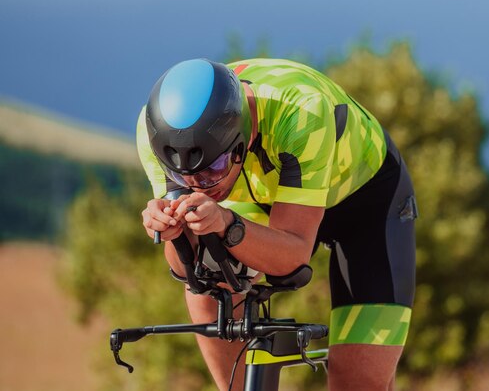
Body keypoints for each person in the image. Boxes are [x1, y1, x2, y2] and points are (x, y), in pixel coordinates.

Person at [137, 58, 418, 391]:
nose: (199, 185)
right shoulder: (153, 130)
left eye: (211, 170)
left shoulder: (302, 111)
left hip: (366, 204)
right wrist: (172, 232)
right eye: (181, 176)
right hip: (264, 196)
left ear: (241, 139)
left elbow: (292, 255)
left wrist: (226, 223)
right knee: (208, 285)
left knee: (356, 382)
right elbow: (189, 271)